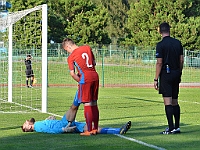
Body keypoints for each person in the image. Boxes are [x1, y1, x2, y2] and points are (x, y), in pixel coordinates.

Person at [62, 38, 99, 136]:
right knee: (94, 103)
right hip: (95, 75)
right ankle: (95, 128)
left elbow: (72, 73)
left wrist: (81, 81)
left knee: (87, 104)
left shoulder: (71, 57)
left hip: (85, 78)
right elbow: (94, 63)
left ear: (68, 46)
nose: (68, 52)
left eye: (67, 50)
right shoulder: (87, 48)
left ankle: (89, 130)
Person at [154, 22, 184, 134]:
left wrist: (156, 79)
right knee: (175, 101)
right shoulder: (178, 43)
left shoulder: (160, 45)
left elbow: (159, 63)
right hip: (176, 72)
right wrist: (179, 72)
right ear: (169, 30)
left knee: (168, 101)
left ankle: (170, 128)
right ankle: (177, 127)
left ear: (160, 31)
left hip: (166, 74)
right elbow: (181, 60)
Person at [21, 111, 131, 135]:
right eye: (25, 127)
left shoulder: (40, 123)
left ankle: (118, 130)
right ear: (29, 127)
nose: (25, 123)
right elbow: (50, 130)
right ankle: (80, 92)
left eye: (24, 123)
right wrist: (63, 130)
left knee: (93, 128)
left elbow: (49, 125)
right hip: (64, 125)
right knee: (73, 107)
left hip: (69, 125)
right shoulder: (38, 126)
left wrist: (49, 120)